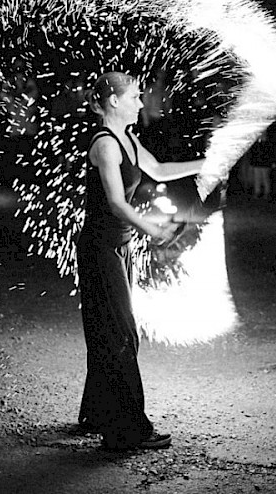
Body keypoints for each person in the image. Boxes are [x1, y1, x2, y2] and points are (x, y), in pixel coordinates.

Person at [76, 71, 204, 451]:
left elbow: (161, 170)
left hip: (118, 246)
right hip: (100, 247)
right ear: (113, 101)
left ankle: (97, 414)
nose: (140, 102)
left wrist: (206, 164)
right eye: (133, 96)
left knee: (107, 330)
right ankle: (126, 431)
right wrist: (152, 228)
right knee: (122, 335)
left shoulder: (127, 139)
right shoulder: (105, 145)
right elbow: (116, 203)